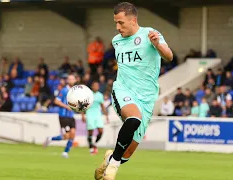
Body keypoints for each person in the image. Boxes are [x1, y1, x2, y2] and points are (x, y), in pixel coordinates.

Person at [94, 2, 173, 180]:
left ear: (133, 20)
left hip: (146, 98)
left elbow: (169, 56)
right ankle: (113, 167)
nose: (117, 27)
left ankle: (110, 159)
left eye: (121, 22)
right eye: (115, 22)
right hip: (123, 90)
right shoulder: (116, 41)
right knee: (133, 118)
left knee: (127, 153)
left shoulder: (150, 34)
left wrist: (157, 45)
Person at [43, 74, 76, 158]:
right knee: (66, 136)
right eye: (70, 79)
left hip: (71, 116)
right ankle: (50, 139)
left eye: (73, 79)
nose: (71, 80)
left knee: (73, 134)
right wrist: (67, 107)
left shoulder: (75, 91)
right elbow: (56, 101)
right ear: (67, 81)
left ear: (75, 80)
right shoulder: (64, 90)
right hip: (63, 116)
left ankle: (65, 153)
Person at [82, 81, 109, 155]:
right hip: (89, 113)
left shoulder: (100, 95)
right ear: (92, 86)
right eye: (95, 85)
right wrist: (83, 115)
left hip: (97, 114)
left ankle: (94, 143)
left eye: (97, 86)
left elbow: (102, 106)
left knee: (101, 131)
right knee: (90, 131)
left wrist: (106, 116)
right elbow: (83, 105)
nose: (96, 87)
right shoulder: (88, 94)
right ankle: (91, 148)